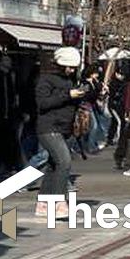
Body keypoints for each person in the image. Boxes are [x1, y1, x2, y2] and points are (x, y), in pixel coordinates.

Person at [35, 47, 88, 218]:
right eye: (68, 67)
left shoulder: (71, 80)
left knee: (53, 164)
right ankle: (58, 202)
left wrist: (83, 94)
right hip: (49, 127)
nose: (71, 70)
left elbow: (72, 101)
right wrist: (68, 95)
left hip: (64, 128)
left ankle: (43, 203)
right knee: (64, 162)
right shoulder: (46, 80)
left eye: (73, 67)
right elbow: (43, 103)